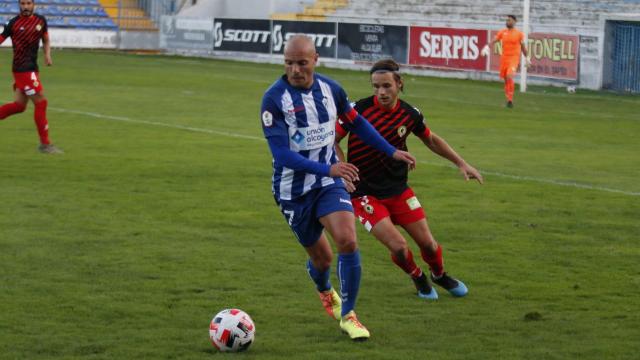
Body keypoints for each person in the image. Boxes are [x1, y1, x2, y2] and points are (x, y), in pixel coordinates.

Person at [261, 36, 416, 340]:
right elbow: (281, 155)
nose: (295, 70)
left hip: (328, 183)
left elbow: (356, 123)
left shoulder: (331, 89)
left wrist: (390, 150)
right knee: (323, 260)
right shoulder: (274, 99)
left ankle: (349, 315)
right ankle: (323, 288)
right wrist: (328, 167)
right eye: (289, 63)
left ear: (315, 59)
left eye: (301, 63)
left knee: (347, 240)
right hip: (293, 191)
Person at [335, 59, 483, 300]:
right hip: (363, 193)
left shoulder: (409, 113)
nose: (381, 92)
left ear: (399, 84)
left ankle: (439, 274)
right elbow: (333, 140)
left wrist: (461, 163)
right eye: (376, 87)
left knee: (429, 245)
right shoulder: (357, 111)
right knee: (400, 247)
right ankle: (418, 277)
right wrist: (341, 167)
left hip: (398, 190)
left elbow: (431, 139)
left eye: (386, 86)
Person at [0, 0, 62, 154]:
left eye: (28, 3)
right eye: (22, 3)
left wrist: (47, 54)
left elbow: (46, 39)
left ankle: (45, 145)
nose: (25, 6)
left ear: (33, 4)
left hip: (33, 68)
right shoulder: (13, 23)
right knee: (41, 102)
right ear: (19, 5)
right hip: (22, 70)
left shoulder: (41, 21)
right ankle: (45, 144)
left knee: (19, 106)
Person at [482, 15, 531, 108]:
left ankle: (510, 100)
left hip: (514, 58)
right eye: (507, 20)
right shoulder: (502, 32)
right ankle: (509, 100)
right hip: (504, 59)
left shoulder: (519, 34)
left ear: (515, 22)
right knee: (506, 80)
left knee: (509, 76)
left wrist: (527, 58)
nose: (507, 22)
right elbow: (494, 40)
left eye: (509, 20)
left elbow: (523, 48)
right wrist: (486, 47)